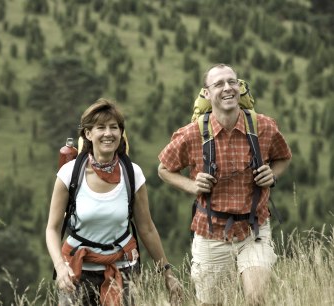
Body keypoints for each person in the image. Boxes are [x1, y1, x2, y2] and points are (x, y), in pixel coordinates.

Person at [158, 64, 292, 305]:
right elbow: (164, 169)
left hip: (255, 229)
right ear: (207, 94)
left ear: (239, 88)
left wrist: (272, 175)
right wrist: (192, 186)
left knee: (256, 298)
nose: (227, 88)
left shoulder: (264, 126)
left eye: (232, 82)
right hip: (211, 232)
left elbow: (283, 157)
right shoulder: (192, 134)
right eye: (218, 84)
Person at [46, 98, 183, 305]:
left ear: (121, 133)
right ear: (88, 134)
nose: (108, 133)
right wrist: (59, 266)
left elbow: (146, 229)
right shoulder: (70, 174)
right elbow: (52, 229)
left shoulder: (132, 173)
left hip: (123, 269)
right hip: (77, 270)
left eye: (114, 127)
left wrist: (167, 275)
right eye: (100, 127)